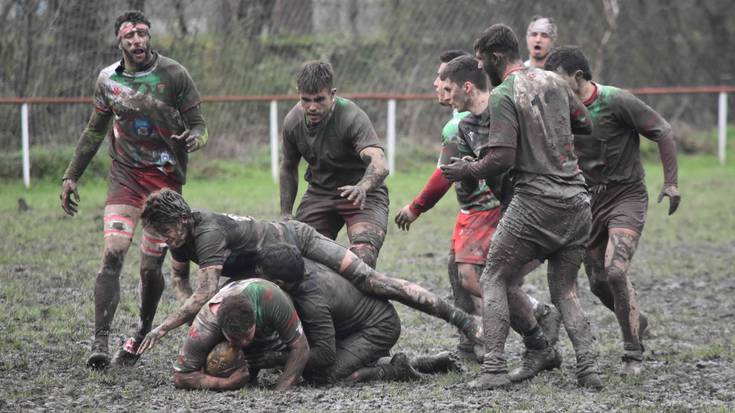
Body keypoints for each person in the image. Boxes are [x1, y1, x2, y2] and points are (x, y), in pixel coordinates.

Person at [133, 189, 482, 357]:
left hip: (298, 240)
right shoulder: (178, 239)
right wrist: (193, 316)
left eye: (164, 231)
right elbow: (182, 282)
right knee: (239, 308)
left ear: (182, 220)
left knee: (370, 280)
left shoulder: (206, 232)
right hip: (264, 265)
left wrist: (165, 327)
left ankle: (464, 321)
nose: (162, 240)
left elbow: (204, 292)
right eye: (157, 234)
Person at [442, 24, 601, 390]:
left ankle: (494, 368)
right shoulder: (553, 82)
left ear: (496, 57)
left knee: (493, 276)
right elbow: (586, 124)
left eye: (482, 61)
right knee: (566, 290)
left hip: (535, 202)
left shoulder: (503, 93)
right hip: (577, 201)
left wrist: (466, 168)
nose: (481, 68)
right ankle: (588, 369)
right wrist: (550, 138)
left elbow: (501, 158)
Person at [58, 10, 208, 369]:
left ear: (150, 37)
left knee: (149, 268)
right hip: (125, 177)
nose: (137, 41)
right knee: (113, 250)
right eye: (130, 36)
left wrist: (195, 139)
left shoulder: (174, 74)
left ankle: (140, 332)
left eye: (142, 34)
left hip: (165, 185)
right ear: (120, 42)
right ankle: (99, 341)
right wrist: (70, 175)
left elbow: (200, 126)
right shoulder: (108, 80)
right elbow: (95, 131)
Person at [395, 51, 561, 365]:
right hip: (474, 211)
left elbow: (444, 176)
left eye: (444, 80)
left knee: (477, 278)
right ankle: (469, 344)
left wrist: (416, 208)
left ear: (465, 85)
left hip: (487, 211)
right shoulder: (465, 119)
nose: (437, 84)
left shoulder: (463, 125)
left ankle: (535, 323)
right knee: (458, 273)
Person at [544, 46, 681, 374]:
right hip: (587, 204)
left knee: (616, 271)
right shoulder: (559, 110)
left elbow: (661, 130)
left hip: (626, 197)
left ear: (578, 78)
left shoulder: (617, 101)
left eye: (557, 82)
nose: (552, 90)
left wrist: (671, 182)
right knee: (597, 282)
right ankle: (634, 315)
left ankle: (633, 353)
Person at [256, 243, 463, 384]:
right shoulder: (300, 265)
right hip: (352, 325)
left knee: (323, 376)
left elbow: (325, 356)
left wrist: (277, 358)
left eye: (261, 278)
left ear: (278, 284)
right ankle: (428, 361)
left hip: (378, 327)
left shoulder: (312, 301)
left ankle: (395, 371)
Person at [280, 61, 389, 268]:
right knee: (298, 255)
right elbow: (288, 166)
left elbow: (379, 162)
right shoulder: (293, 122)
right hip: (320, 193)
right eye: (306, 100)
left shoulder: (351, 116)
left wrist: (363, 187)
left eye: (319, 99)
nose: (312, 107)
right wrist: (286, 213)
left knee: (362, 256)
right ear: (298, 95)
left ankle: (363, 299)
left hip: (361, 192)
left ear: (332, 93)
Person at [172, 278, 309, 390]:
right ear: (222, 330)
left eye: (247, 335)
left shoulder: (272, 300)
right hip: (228, 334)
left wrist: (280, 392)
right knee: (222, 359)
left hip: (273, 330)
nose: (244, 342)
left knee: (320, 369)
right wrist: (227, 383)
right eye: (236, 338)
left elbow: (301, 347)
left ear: (255, 319)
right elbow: (181, 376)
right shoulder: (206, 325)